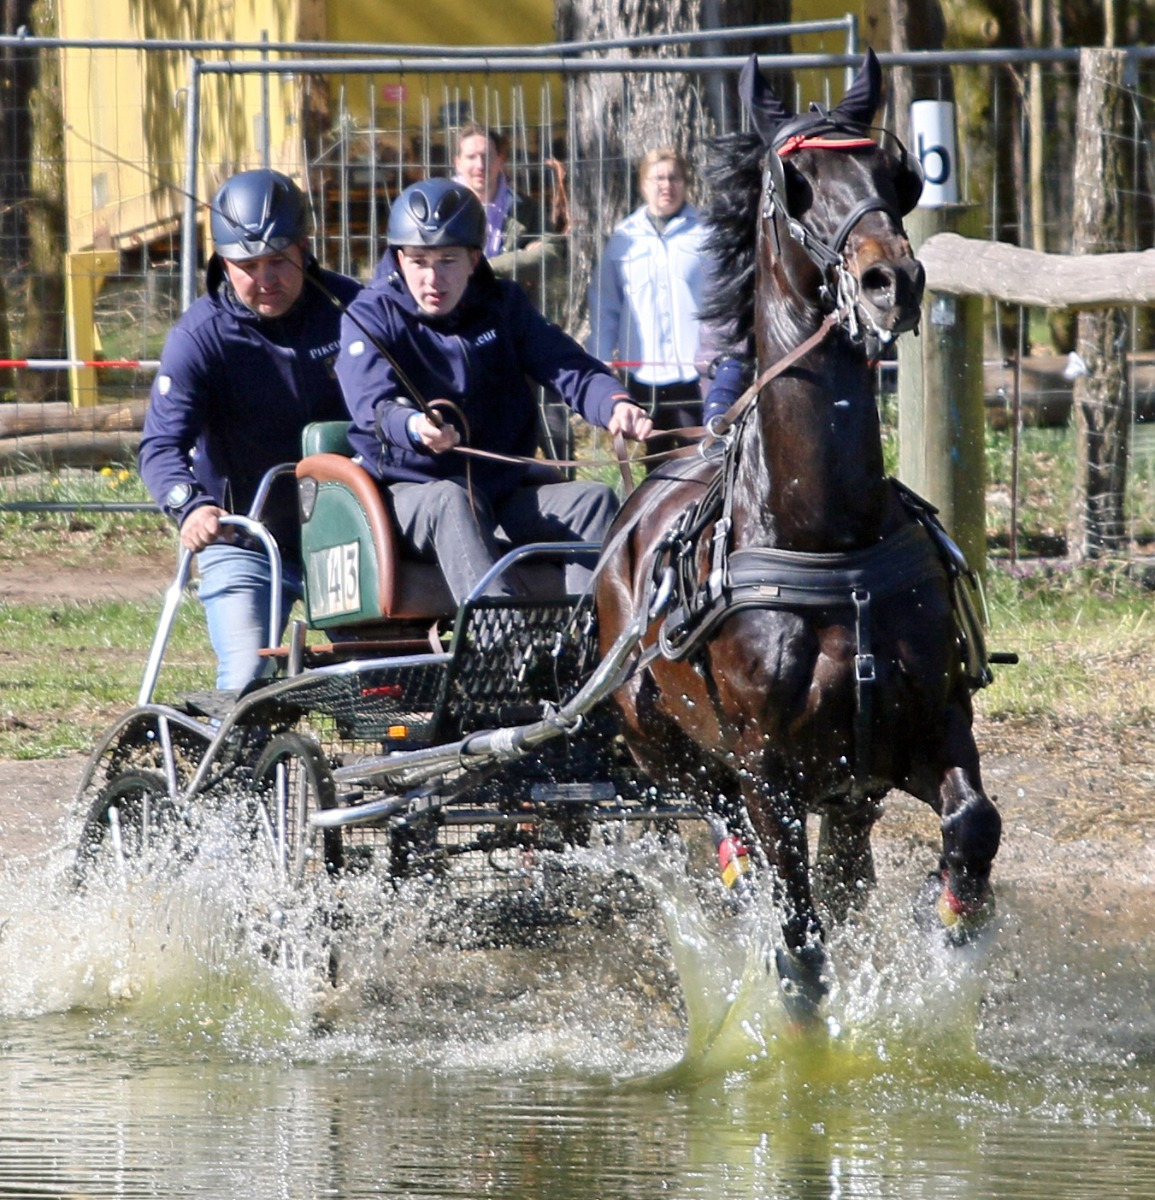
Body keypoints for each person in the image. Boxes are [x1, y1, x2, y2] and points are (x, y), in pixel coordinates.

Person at [335, 177, 652, 603]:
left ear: (474, 257)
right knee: (452, 501)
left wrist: (613, 403)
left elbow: (564, 363)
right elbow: (371, 404)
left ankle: (590, 643)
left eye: (447, 260)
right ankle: (499, 643)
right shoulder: (370, 314)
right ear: (398, 258)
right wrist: (414, 426)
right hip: (409, 493)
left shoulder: (503, 304)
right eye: (419, 261)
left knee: (593, 501)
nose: (433, 278)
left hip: (499, 490)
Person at [139, 168, 361, 691]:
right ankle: (242, 763)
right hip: (245, 541)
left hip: (347, 537)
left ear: (305, 249)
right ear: (222, 262)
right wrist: (190, 506)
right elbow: (160, 445)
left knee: (387, 678)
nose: (266, 278)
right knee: (245, 679)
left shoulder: (354, 312)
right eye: (247, 264)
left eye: (279, 260)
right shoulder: (200, 338)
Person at [587, 147, 710, 438]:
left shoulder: (707, 232)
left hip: (694, 369)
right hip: (642, 369)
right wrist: (600, 357)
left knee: (697, 450)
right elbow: (605, 303)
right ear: (643, 184)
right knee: (654, 455)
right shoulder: (623, 237)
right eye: (658, 178)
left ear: (685, 183)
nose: (666, 186)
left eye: (674, 178)